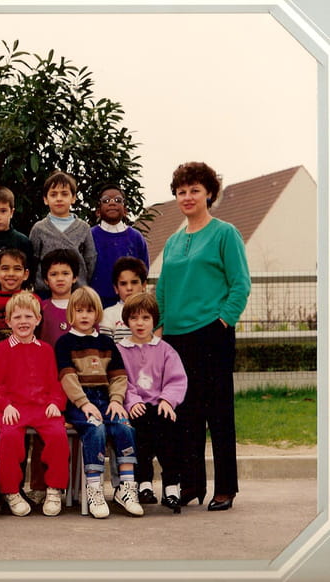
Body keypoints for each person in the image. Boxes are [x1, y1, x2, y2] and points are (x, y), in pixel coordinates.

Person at [156, 161, 250, 511]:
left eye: (194, 190)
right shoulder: (173, 241)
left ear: (209, 193)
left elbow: (240, 284)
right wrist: (161, 326)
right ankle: (191, 484)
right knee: (185, 416)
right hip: (176, 339)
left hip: (212, 335)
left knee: (219, 414)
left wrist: (223, 321)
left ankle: (225, 488)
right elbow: (163, 289)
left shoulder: (225, 233)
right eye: (181, 191)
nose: (187, 197)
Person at [55, 286, 142, 519]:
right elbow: (67, 377)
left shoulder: (106, 342)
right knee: (96, 428)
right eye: (79, 310)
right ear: (71, 313)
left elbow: (119, 376)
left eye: (90, 311)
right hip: (79, 402)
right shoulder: (65, 343)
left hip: (106, 399)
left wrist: (116, 400)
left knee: (124, 426)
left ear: (97, 314)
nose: (85, 316)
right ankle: (94, 489)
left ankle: (126, 488)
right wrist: (83, 403)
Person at [0, 291, 69, 517]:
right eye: (17, 317)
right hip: (14, 408)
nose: (23, 321)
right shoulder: (1, 350)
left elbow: (55, 383)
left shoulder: (46, 349)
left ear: (38, 319)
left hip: (42, 408)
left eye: (28, 316)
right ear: (8, 321)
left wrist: (55, 402)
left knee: (58, 436)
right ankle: (11, 491)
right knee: (10, 439)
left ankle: (54, 489)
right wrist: (4, 405)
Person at [117, 292, 187, 513]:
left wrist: (167, 400)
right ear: (126, 320)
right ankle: (144, 484)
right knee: (140, 435)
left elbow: (176, 379)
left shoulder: (165, 349)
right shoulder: (120, 350)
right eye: (134, 318)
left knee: (170, 432)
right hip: (136, 407)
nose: (140, 323)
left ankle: (171, 487)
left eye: (146, 318)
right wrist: (132, 401)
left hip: (159, 406)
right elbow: (120, 380)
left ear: (154, 320)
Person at [26, 248, 80, 506]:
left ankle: (74, 488)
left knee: (75, 433)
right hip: (47, 383)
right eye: (54, 274)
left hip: (77, 381)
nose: (60, 278)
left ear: (75, 277)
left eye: (65, 273)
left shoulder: (82, 307)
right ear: (45, 279)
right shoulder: (42, 308)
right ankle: (39, 485)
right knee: (43, 433)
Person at [29, 170, 96, 296]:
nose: (59, 199)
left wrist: (81, 281)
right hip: (45, 292)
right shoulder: (39, 229)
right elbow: (33, 261)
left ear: (73, 198)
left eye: (64, 194)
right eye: (53, 194)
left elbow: (90, 260)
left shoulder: (83, 228)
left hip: (77, 293)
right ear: (45, 199)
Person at [89, 184, 149, 308]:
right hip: (96, 303)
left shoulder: (136, 237)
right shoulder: (89, 235)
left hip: (130, 304)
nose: (112, 203)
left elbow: (144, 270)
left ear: (125, 210)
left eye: (117, 200)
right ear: (98, 211)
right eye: (106, 200)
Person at [0, 248, 34, 343]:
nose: (11, 274)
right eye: (5, 268)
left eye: (17, 269)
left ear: (26, 274)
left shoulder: (33, 301)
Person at [99, 256, 148, 344]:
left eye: (134, 282)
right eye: (123, 284)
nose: (129, 288)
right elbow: (105, 348)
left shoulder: (151, 313)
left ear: (144, 285)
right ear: (116, 288)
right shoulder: (108, 315)